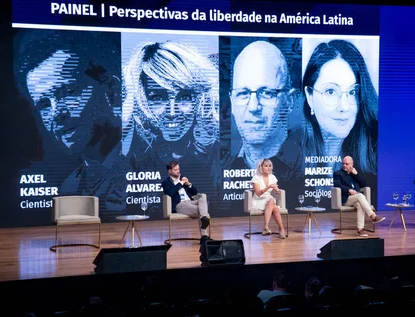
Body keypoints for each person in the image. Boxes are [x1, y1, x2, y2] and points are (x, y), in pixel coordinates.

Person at [13, 29, 126, 218]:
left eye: (70, 92)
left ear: (112, 91)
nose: (57, 113)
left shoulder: (149, 163)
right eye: (44, 104)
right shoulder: (70, 185)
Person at [122, 39, 219, 172]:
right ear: (143, 100)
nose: (172, 112)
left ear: (199, 99)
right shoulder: (136, 157)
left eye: (184, 97)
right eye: (157, 98)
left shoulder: (218, 157)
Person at [302, 39, 379, 200]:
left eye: (352, 92)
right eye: (331, 91)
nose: (344, 107)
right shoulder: (290, 155)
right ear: (309, 96)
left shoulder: (374, 153)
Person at [225, 39, 303, 180]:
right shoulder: (219, 171)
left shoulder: (307, 166)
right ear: (232, 102)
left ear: (289, 101)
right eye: (243, 94)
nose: (253, 107)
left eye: (267, 93)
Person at [333, 156, 385, 236]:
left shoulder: (354, 174)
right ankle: (372, 216)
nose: (344, 165)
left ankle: (360, 229)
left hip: (356, 198)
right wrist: (348, 190)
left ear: (352, 164)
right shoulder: (338, 173)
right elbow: (337, 184)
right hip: (345, 199)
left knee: (360, 204)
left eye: (346, 164)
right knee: (360, 196)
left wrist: (356, 174)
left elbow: (364, 184)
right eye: (343, 164)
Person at [161, 160, 211, 237]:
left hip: (190, 201)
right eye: (175, 170)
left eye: (179, 169)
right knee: (202, 211)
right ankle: (204, 236)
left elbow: (195, 192)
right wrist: (180, 183)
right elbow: (170, 193)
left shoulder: (183, 178)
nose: (178, 171)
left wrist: (189, 184)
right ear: (170, 171)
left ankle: (204, 219)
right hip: (180, 205)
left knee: (203, 196)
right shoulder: (166, 182)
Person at [250, 158, 287, 239]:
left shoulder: (272, 177)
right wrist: (269, 187)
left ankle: (266, 227)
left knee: (271, 202)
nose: (268, 168)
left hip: (269, 199)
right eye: (266, 166)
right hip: (258, 199)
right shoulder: (256, 178)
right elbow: (259, 193)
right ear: (261, 167)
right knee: (274, 205)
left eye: (270, 166)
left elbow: (276, 190)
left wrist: (277, 191)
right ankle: (281, 229)